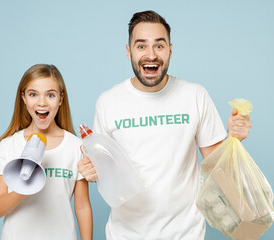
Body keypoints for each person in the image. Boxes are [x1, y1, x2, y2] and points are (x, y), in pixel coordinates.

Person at [77, 11, 251, 239]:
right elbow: (107, 169)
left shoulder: (194, 95)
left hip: (185, 233)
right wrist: (93, 171)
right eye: (141, 46)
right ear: (128, 52)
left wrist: (234, 140)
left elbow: (217, 167)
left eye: (159, 46)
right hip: (125, 234)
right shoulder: (108, 102)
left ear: (170, 50)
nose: (151, 55)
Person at [0, 64, 93, 240]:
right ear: (24, 98)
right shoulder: (8, 146)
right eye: (33, 94)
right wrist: (25, 186)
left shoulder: (76, 147)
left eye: (50, 95)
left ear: (60, 99)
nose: (42, 102)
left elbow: (82, 206)